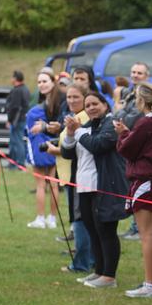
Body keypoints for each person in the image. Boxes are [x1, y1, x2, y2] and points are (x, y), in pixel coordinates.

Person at [62, 92, 130, 289]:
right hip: (84, 186)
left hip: (104, 185)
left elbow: (99, 145)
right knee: (93, 230)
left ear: (105, 105)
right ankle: (99, 271)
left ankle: (109, 276)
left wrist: (79, 132)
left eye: (95, 104)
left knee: (106, 230)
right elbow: (67, 153)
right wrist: (69, 133)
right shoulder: (87, 127)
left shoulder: (111, 124)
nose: (91, 108)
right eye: (88, 105)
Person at [115, 82, 152, 298]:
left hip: (145, 181)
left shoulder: (146, 123)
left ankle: (150, 285)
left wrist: (123, 134)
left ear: (141, 101)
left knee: (147, 235)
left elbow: (128, 149)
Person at [49, 83, 94, 274]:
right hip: (70, 174)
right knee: (81, 218)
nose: (72, 100)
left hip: (78, 175)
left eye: (76, 97)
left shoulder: (82, 119)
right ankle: (88, 259)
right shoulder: (74, 117)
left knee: (80, 219)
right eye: (69, 97)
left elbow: (77, 149)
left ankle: (82, 262)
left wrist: (55, 150)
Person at [116, 62, 150, 240]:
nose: (135, 75)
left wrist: (118, 112)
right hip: (131, 141)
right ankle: (134, 226)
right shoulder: (130, 92)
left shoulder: (143, 95)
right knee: (133, 186)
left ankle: (138, 229)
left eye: (140, 73)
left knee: (139, 186)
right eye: (133, 72)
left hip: (140, 145)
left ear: (146, 76)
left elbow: (129, 118)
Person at [25, 70, 62, 229]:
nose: (41, 84)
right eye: (39, 82)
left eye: (45, 81)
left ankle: (41, 219)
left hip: (42, 146)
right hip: (53, 145)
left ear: (53, 81)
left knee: (42, 185)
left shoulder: (45, 107)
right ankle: (52, 219)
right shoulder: (51, 103)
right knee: (53, 184)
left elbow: (31, 130)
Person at [5, 70, 31, 170]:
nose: (11, 79)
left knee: (16, 142)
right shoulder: (25, 89)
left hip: (16, 120)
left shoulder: (17, 90)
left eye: (12, 77)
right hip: (22, 118)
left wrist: (10, 120)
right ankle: (15, 162)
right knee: (17, 141)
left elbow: (14, 107)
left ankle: (18, 163)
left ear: (16, 79)